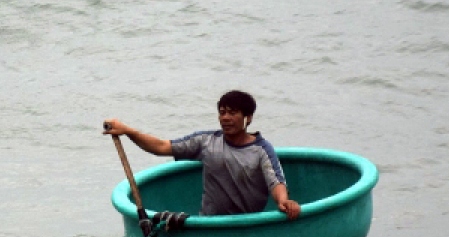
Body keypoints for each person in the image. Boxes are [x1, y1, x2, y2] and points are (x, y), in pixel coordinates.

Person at [103, 90, 301, 222]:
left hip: (246, 223)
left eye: (232, 113)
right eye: (222, 112)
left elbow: (276, 182)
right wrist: (128, 131)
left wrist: (284, 202)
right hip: (209, 223)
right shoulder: (206, 142)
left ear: (248, 118)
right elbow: (162, 146)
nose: (225, 118)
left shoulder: (262, 149)